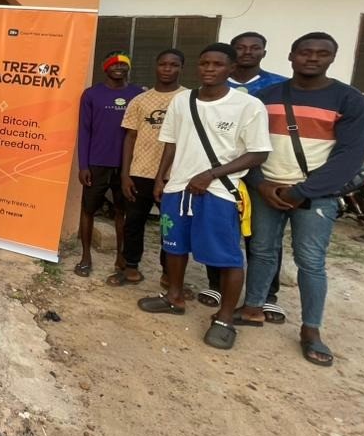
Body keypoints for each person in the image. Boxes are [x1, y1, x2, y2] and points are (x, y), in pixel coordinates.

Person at [237, 33, 364, 366]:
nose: (313, 58)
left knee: (310, 261)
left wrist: (302, 191)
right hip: (266, 187)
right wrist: (261, 183)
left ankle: (311, 330)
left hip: (315, 196)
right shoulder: (266, 97)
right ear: (291, 56)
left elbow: (349, 156)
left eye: (321, 53)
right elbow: (246, 145)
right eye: (305, 53)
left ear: (332, 58)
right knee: (262, 249)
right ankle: (253, 307)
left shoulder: (348, 99)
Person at [138, 44, 272, 351]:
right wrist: (161, 177)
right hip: (178, 189)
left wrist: (210, 174)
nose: (209, 69)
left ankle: (224, 318)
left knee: (227, 257)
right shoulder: (182, 101)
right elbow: (169, 142)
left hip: (219, 192)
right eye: (204, 63)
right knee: (173, 246)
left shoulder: (247, 106)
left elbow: (258, 153)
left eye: (217, 64)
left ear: (232, 68)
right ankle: (173, 296)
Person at [204, 31, 288, 316]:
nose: (247, 52)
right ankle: (215, 284)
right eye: (240, 47)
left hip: (263, 173)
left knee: (264, 239)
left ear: (264, 52)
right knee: (220, 231)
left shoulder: (279, 86)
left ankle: (266, 294)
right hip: (221, 174)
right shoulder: (214, 83)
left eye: (255, 48)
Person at [109, 49, 186, 286]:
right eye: (163, 64)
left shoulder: (188, 99)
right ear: (156, 66)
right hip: (140, 172)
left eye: (173, 65)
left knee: (169, 226)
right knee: (134, 222)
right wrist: (125, 174)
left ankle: (168, 273)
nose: (167, 69)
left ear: (181, 68)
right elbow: (130, 137)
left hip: (174, 175)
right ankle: (131, 267)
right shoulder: (140, 100)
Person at [74, 51, 144, 277]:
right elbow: (84, 131)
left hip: (128, 166)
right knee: (88, 210)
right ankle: (85, 256)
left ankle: (121, 257)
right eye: (114, 64)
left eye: (124, 65)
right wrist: (83, 165)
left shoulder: (138, 94)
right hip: (97, 162)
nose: (119, 68)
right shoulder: (92, 94)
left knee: (123, 211)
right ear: (105, 68)